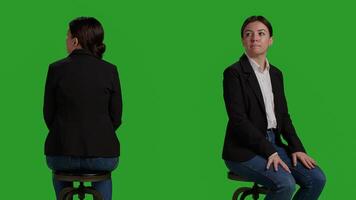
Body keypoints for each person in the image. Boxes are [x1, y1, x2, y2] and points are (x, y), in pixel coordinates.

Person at [222, 16, 326, 199]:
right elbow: (238, 121)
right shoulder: (234, 73)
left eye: (261, 34)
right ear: (243, 41)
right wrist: (270, 151)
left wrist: (297, 148)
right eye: (248, 34)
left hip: (273, 144)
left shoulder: (276, 74)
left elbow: (283, 117)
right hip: (243, 151)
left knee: (316, 178)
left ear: (270, 40)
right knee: (285, 183)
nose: (255, 38)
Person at [43, 17, 122, 200]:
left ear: (75, 41)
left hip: (61, 153)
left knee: (59, 169)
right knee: (103, 172)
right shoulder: (110, 70)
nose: (66, 39)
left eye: (67, 35)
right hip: (102, 155)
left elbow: (48, 115)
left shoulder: (56, 69)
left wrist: (65, 134)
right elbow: (116, 117)